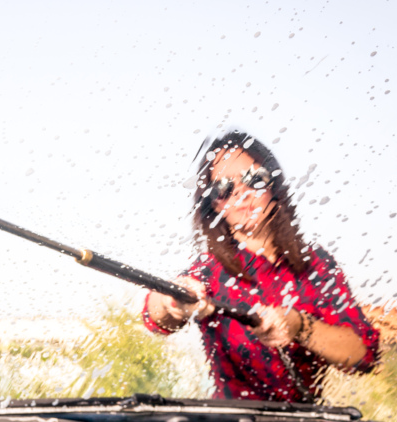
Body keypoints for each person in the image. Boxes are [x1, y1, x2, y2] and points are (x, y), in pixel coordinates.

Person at [143, 130, 380, 402]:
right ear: (213, 205)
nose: (241, 194)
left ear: (274, 185)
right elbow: (155, 317)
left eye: (254, 179)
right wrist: (171, 300)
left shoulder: (316, 265)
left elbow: (365, 356)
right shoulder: (209, 269)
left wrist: (300, 326)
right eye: (223, 189)